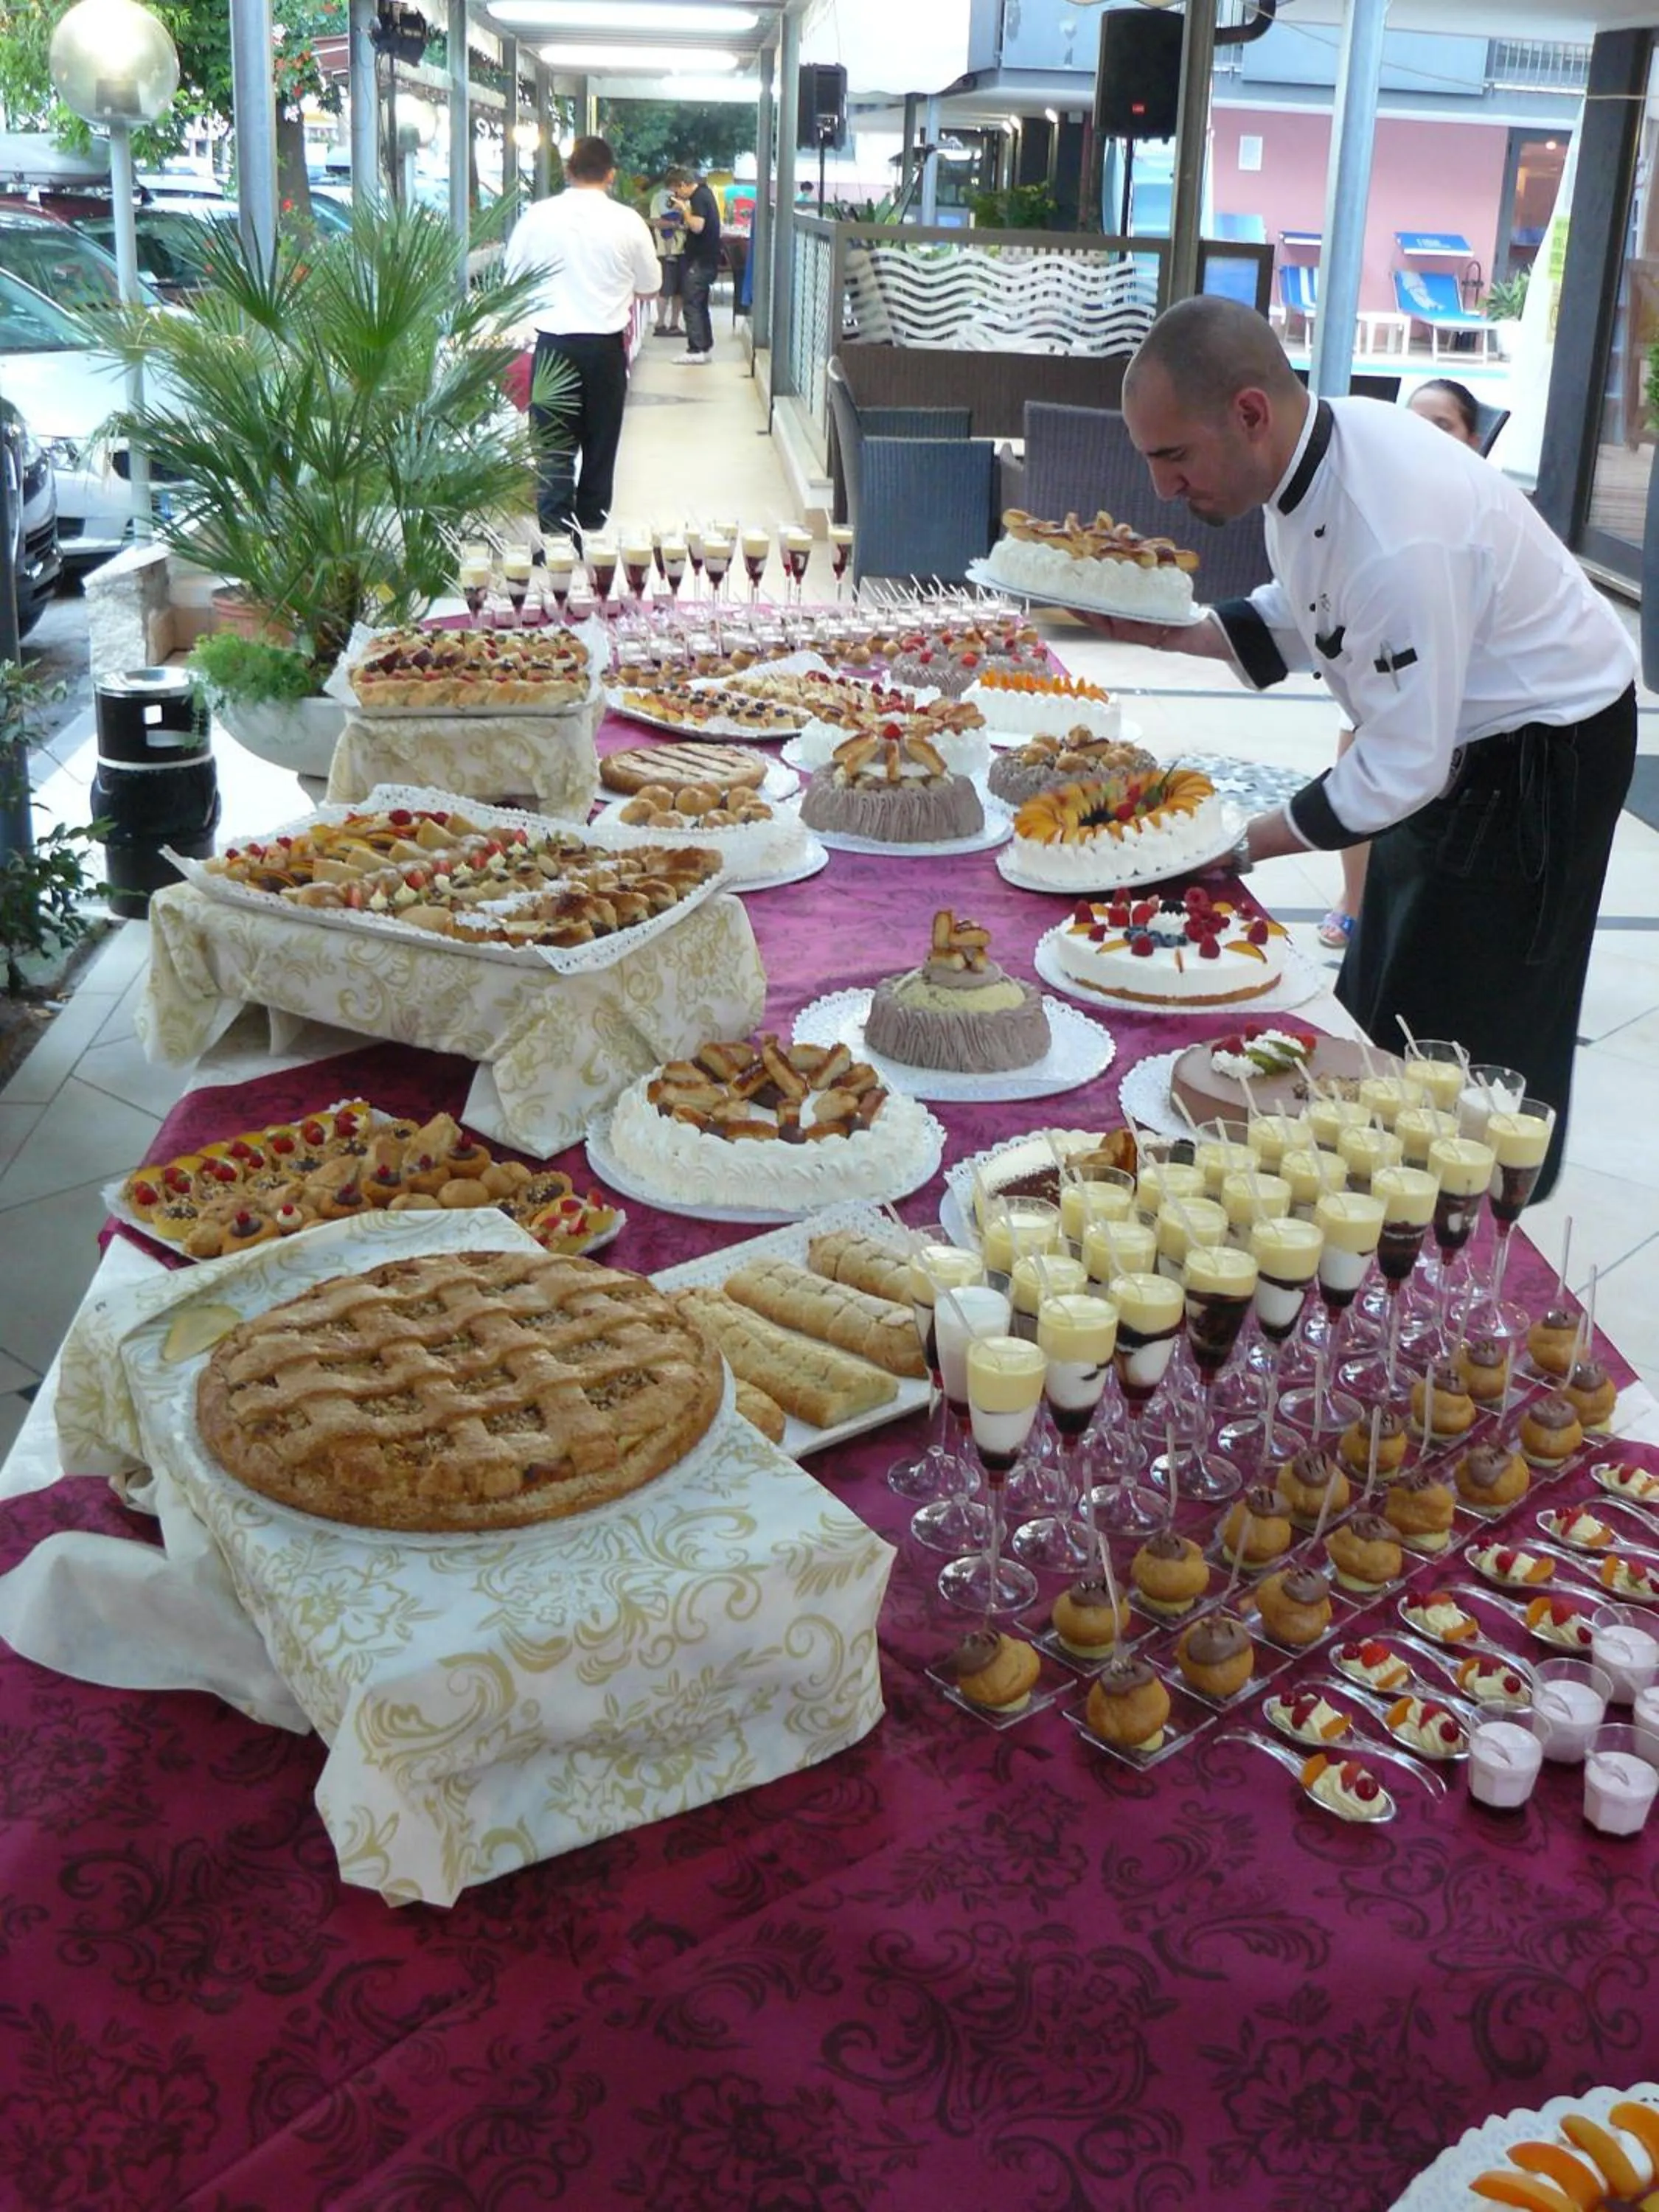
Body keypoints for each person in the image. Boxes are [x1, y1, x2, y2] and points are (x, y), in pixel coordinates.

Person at [1092, 296, 1636, 1198]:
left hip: (1544, 751)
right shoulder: (1309, 463)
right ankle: (1376, 1208)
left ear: (1251, 413)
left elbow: (1402, 766)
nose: (1162, 489)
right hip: (1458, 738)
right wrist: (1171, 634)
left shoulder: (1392, 530)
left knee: (1463, 1043)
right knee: (1384, 990)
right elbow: (1310, 614)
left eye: (1173, 457)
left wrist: (1233, 847)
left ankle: (1461, 1244)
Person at [1318, 376, 1486, 950]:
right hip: (1387, 668)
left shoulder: (1489, 508)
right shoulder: (1387, 502)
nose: (1425, 436)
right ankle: (1354, 899)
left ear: (1474, 440)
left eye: (1443, 425)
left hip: (1470, 695)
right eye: (1414, 422)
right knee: (1357, 751)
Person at [502, 135, 660, 541]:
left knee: (552, 446)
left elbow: (511, 278)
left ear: (568, 171)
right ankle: (591, 535)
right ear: (611, 175)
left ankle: (555, 539)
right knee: (601, 444)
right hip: (605, 351)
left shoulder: (536, 217)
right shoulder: (628, 222)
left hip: (553, 347)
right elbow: (651, 283)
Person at [669, 165, 722, 366]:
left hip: (699, 261)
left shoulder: (698, 197)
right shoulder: (705, 194)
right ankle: (704, 346)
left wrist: (684, 211)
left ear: (683, 185)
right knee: (699, 303)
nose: (677, 195)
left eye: (677, 190)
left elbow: (698, 226)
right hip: (707, 259)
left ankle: (696, 348)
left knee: (691, 302)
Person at [647, 175, 685, 338]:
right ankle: (660, 323)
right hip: (665, 251)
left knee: (680, 290)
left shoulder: (682, 201)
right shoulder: (659, 199)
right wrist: (675, 225)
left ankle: (675, 323)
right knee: (665, 289)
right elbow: (656, 221)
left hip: (682, 249)